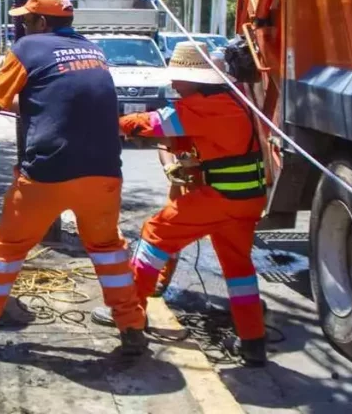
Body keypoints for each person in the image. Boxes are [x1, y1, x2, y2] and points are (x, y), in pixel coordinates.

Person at [0, 0, 148, 358]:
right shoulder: (93, 52)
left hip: (48, 174)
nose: (22, 27)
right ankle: (132, 330)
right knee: (108, 250)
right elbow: (52, 97)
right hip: (104, 172)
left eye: (26, 21)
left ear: (42, 22)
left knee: (6, 250)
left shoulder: (28, 49)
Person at [105, 41, 269, 366]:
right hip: (247, 200)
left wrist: (109, 123)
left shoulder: (205, 107)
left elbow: (150, 124)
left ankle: (131, 319)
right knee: (239, 270)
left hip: (220, 199)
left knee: (153, 235)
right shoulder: (231, 100)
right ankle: (253, 342)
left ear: (197, 79)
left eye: (178, 78)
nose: (173, 84)